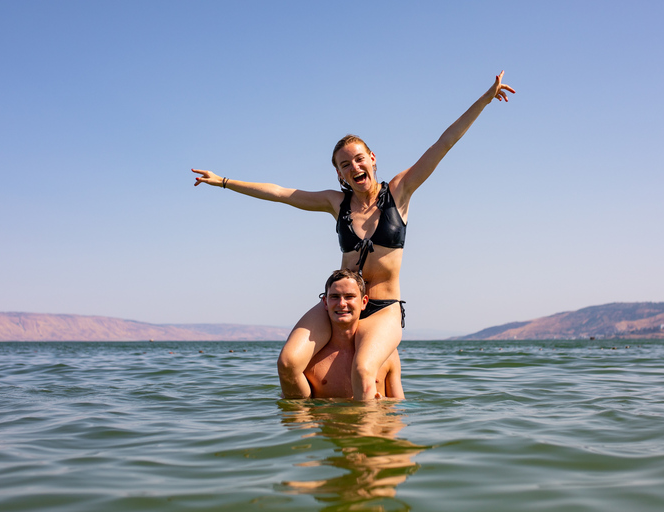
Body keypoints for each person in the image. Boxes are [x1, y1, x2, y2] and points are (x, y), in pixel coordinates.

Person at [193, 72, 515, 399]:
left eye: (359, 159)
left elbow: (443, 143)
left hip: (382, 307)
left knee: (362, 370)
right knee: (288, 362)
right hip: (342, 301)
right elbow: (280, 193)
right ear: (339, 173)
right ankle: (304, 434)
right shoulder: (336, 203)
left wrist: (485, 100)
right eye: (345, 164)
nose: (354, 167)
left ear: (372, 160)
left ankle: (363, 445)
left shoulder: (400, 191)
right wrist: (223, 181)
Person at [299, 269, 404, 399]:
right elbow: (297, 408)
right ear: (325, 302)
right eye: (335, 297)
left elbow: (400, 407)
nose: (342, 304)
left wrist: (383, 405)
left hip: (375, 419)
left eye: (349, 296)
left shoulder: (386, 352)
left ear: (364, 302)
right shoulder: (311, 357)